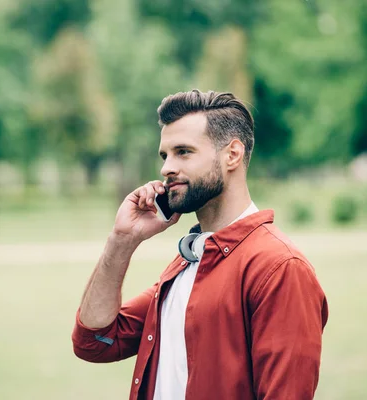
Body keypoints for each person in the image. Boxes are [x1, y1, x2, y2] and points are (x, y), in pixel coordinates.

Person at [72, 90, 328, 400]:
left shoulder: (279, 268)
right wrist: (122, 241)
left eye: (183, 152)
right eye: (164, 155)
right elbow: (95, 341)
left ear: (232, 154)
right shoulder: (188, 261)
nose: (166, 168)